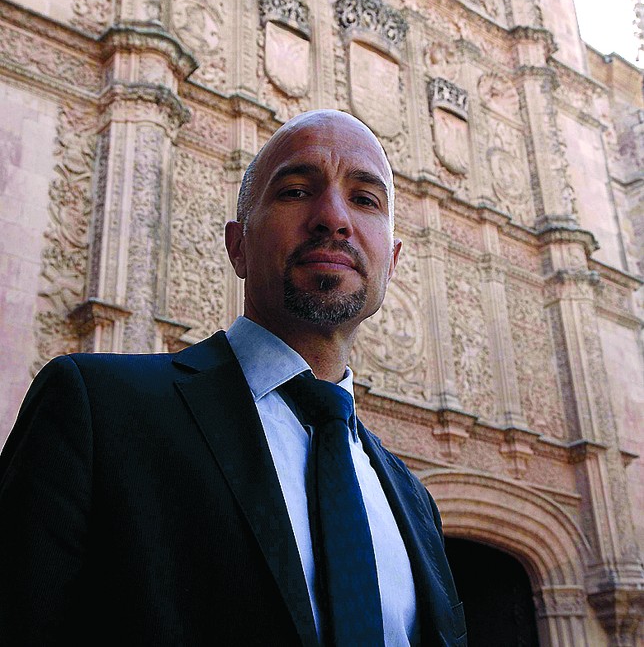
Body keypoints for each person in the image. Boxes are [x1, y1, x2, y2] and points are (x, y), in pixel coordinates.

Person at [0, 109, 466, 646]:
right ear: (237, 246)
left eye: (365, 199)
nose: (333, 218)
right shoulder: (95, 409)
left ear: (393, 260)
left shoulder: (413, 499)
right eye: (295, 190)